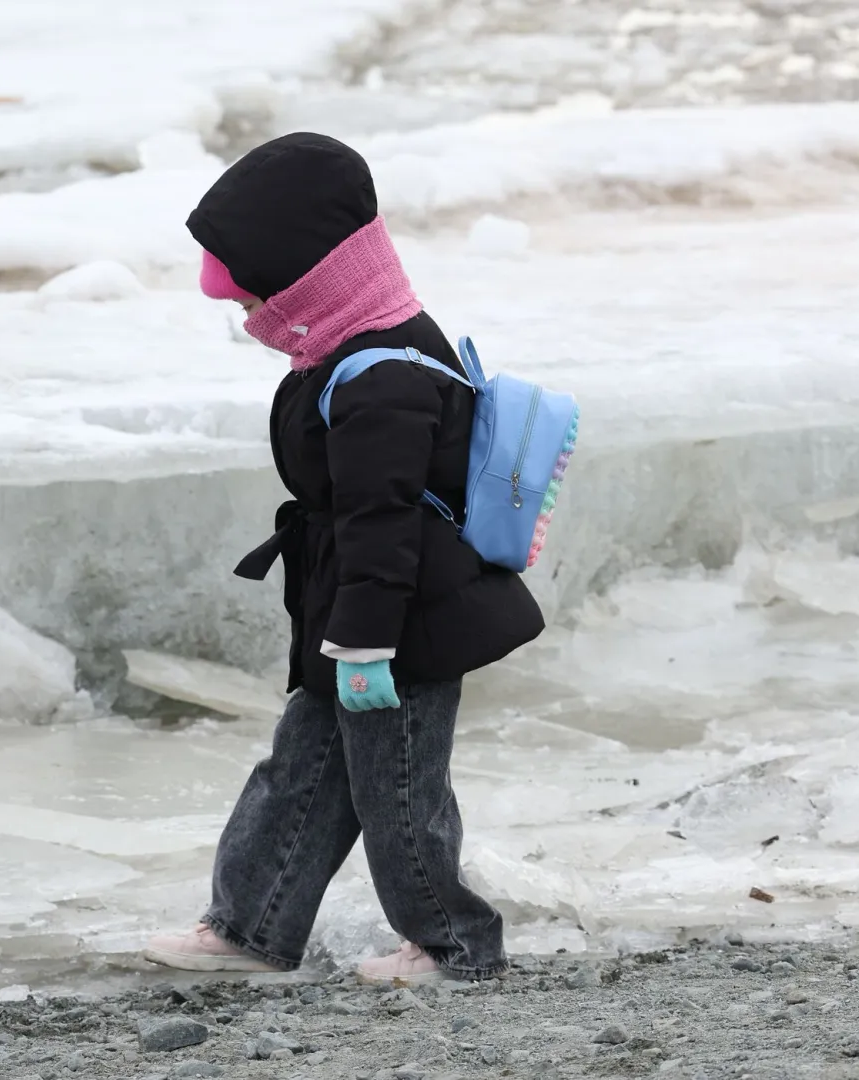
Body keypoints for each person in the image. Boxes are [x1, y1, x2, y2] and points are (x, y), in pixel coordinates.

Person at [143, 132, 545, 985]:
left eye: (254, 288)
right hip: (355, 610)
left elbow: (381, 522)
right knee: (302, 772)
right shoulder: (348, 341)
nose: (244, 308)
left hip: (399, 623)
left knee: (398, 793)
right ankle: (249, 928)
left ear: (307, 274)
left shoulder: (380, 374)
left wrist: (363, 645)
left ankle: (456, 945)